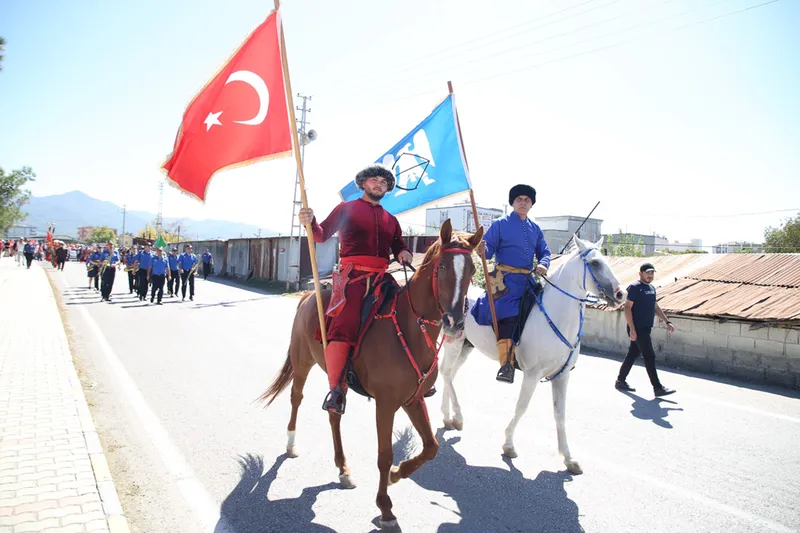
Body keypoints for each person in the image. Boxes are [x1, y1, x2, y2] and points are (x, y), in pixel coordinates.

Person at [298, 164, 412, 415]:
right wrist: (310, 221)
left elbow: (399, 246)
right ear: (363, 184)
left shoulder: (391, 220)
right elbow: (320, 235)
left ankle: (414, 376)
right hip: (353, 280)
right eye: (374, 181)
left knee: (408, 313)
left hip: (383, 278)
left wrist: (404, 252)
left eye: (384, 183)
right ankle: (336, 389)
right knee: (345, 324)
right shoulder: (346, 208)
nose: (379, 185)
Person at [471, 184, 551, 384]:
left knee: (545, 310)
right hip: (504, 281)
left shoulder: (536, 228)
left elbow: (545, 252)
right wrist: (482, 248)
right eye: (519, 199)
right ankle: (506, 364)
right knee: (508, 314)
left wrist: (543, 263)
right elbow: (487, 252)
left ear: (532, 204)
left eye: (527, 200)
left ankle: (549, 359)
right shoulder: (500, 224)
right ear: (513, 202)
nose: (523, 202)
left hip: (528, 280)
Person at [615, 263, 676, 397]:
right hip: (637, 328)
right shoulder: (635, 287)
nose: (650, 275)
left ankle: (620, 381)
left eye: (652, 273)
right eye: (647, 272)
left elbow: (655, 306)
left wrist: (667, 321)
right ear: (640, 273)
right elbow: (627, 308)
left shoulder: (651, 288)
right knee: (649, 356)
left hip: (645, 328)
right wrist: (632, 329)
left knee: (633, 354)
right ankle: (657, 388)